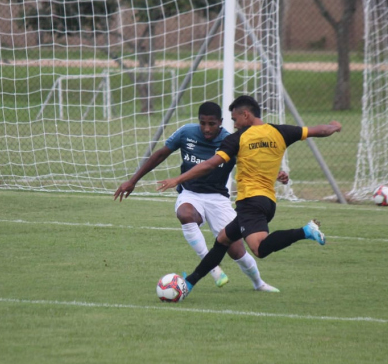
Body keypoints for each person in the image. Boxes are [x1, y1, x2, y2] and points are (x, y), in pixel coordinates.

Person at [156, 95, 342, 299]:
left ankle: (305, 231)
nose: (234, 125)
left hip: (250, 203)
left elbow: (209, 164)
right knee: (222, 240)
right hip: (268, 201)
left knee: (259, 248)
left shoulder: (237, 139)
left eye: (235, 119)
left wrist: (178, 179)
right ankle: (190, 283)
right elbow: (319, 130)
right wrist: (334, 126)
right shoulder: (281, 131)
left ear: (246, 115)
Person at [114, 101, 282, 292]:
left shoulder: (231, 140)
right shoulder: (186, 133)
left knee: (237, 251)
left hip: (218, 199)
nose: (206, 128)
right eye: (202, 123)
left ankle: (258, 283)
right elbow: (160, 154)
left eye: (211, 124)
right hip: (191, 194)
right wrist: (133, 180)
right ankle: (213, 268)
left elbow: (254, 161)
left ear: (220, 122)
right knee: (185, 214)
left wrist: (277, 174)